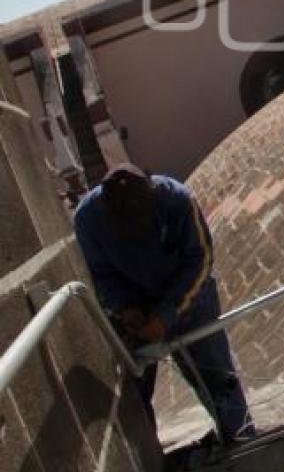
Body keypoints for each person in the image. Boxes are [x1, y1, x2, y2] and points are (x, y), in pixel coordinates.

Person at [74, 163, 258, 449]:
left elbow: (200, 259)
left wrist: (167, 313)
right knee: (132, 392)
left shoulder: (177, 199)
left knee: (218, 377)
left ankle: (245, 448)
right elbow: (99, 275)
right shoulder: (87, 219)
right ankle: (153, 466)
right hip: (133, 305)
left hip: (188, 297)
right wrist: (126, 309)